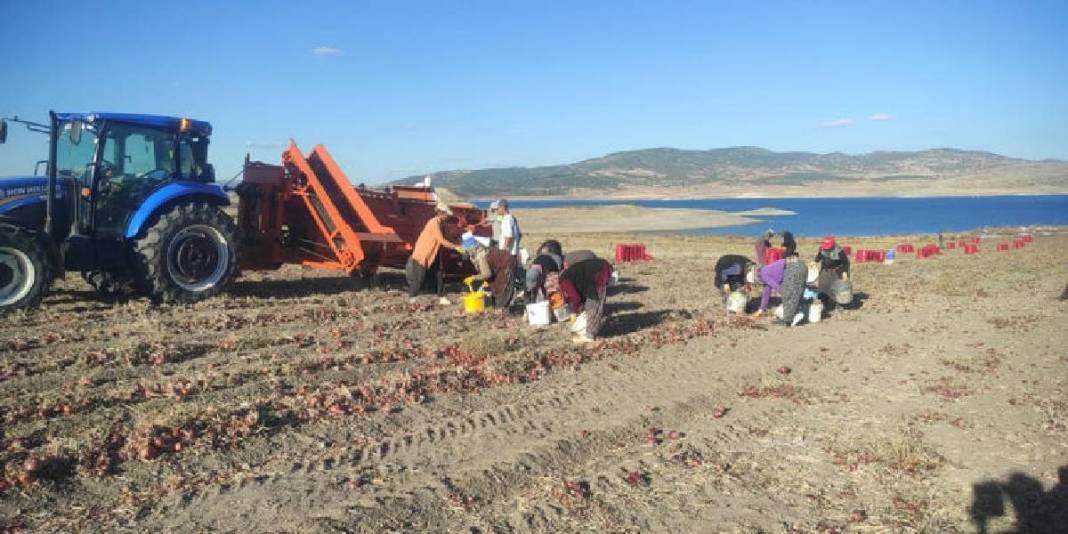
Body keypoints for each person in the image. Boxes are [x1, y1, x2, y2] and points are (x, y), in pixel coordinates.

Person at [406, 208, 465, 298]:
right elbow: (441, 239)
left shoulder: (441, 223)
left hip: (434, 253)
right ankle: (412, 296)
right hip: (424, 253)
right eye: (446, 215)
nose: (447, 217)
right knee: (419, 278)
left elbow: (446, 237)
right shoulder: (433, 222)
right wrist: (456, 247)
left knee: (438, 273)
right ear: (441, 213)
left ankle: (440, 294)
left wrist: (459, 242)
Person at [559, 251, 614, 343]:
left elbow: (575, 298)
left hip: (599, 271)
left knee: (594, 304)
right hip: (591, 274)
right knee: (588, 304)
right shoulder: (564, 280)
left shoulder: (564, 282)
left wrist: (574, 312)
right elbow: (575, 297)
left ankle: (589, 335)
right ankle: (588, 328)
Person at [461, 232, 518, 308]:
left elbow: (487, 274)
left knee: (502, 291)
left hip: (506, 266)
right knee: (497, 290)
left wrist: (474, 278)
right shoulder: (481, 249)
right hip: (504, 264)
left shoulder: (481, 257)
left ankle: (505, 309)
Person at [753, 255, 808, 326]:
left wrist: (784, 293)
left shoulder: (763, 273)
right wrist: (762, 308)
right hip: (802, 266)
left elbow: (776, 286)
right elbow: (766, 293)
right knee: (797, 294)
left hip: (794, 267)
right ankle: (796, 315)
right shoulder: (768, 271)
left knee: (789, 295)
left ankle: (787, 320)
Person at [813, 235, 852, 306]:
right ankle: (824, 302)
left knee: (838, 287)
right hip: (825, 269)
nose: (827, 249)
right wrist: (815, 261)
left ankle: (839, 304)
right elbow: (819, 256)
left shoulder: (839, 251)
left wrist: (844, 272)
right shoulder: (822, 249)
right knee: (823, 286)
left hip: (837, 270)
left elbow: (845, 262)